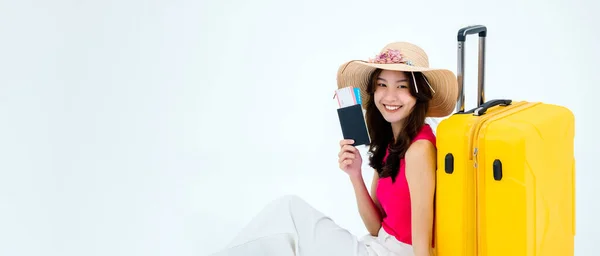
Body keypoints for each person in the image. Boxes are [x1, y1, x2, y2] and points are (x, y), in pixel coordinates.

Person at [208, 42, 458, 256]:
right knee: (284, 226)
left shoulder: (420, 149)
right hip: (376, 245)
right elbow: (375, 227)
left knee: (289, 210)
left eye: (402, 86)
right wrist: (355, 175)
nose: (390, 96)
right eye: (382, 84)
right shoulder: (391, 145)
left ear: (418, 95)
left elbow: (423, 244)